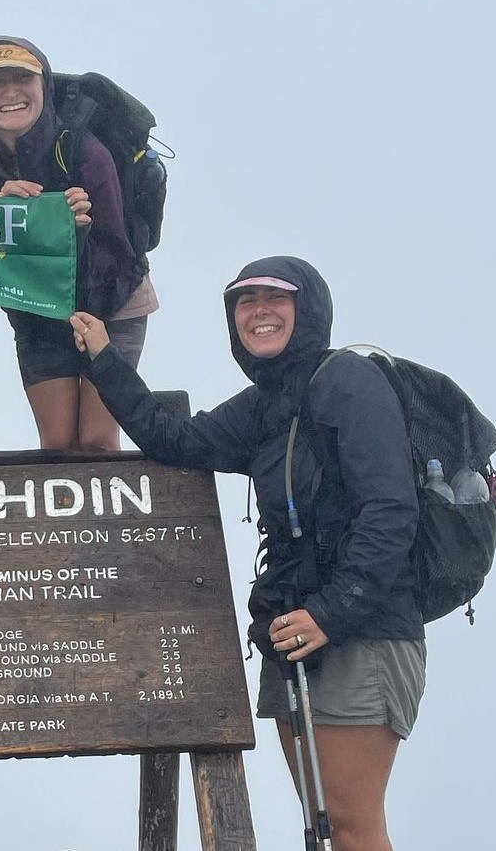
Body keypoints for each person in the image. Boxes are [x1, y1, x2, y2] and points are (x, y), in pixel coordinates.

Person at [70, 255, 424, 851]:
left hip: (361, 629)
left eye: (275, 298)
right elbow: (173, 439)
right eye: (244, 301)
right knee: (323, 825)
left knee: (351, 823)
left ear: (307, 308)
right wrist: (106, 359)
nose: (258, 311)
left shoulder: (348, 380)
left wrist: (331, 615)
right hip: (293, 631)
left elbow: (391, 510)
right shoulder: (264, 404)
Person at [0, 36, 158, 451]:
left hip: (114, 301)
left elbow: (117, 252)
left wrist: (74, 231)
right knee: (58, 444)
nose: (10, 92)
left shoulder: (86, 150)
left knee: (96, 441)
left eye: (22, 77)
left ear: (43, 85)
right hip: (37, 313)